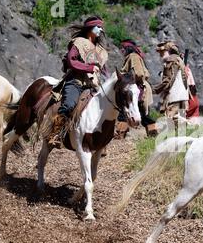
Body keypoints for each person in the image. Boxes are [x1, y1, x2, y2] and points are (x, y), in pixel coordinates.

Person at [49, 16, 109, 148]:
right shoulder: (79, 42)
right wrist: (89, 67)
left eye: (101, 27)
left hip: (94, 85)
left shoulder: (101, 50)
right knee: (69, 105)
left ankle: (102, 140)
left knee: (107, 106)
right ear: (90, 28)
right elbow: (71, 61)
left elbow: (104, 70)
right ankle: (55, 134)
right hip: (76, 81)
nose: (100, 29)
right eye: (98, 27)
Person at [119, 39, 158, 137]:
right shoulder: (131, 57)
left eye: (122, 48)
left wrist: (128, 81)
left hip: (138, 88)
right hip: (137, 87)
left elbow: (139, 74)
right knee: (141, 113)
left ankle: (120, 133)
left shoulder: (133, 56)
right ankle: (152, 132)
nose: (121, 50)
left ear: (127, 48)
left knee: (125, 110)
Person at [153, 41, 188, 125]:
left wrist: (154, 89)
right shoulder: (179, 59)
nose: (160, 55)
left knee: (171, 124)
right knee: (181, 126)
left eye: (162, 52)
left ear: (168, 50)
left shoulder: (171, 60)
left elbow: (169, 79)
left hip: (174, 96)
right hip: (183, 96)